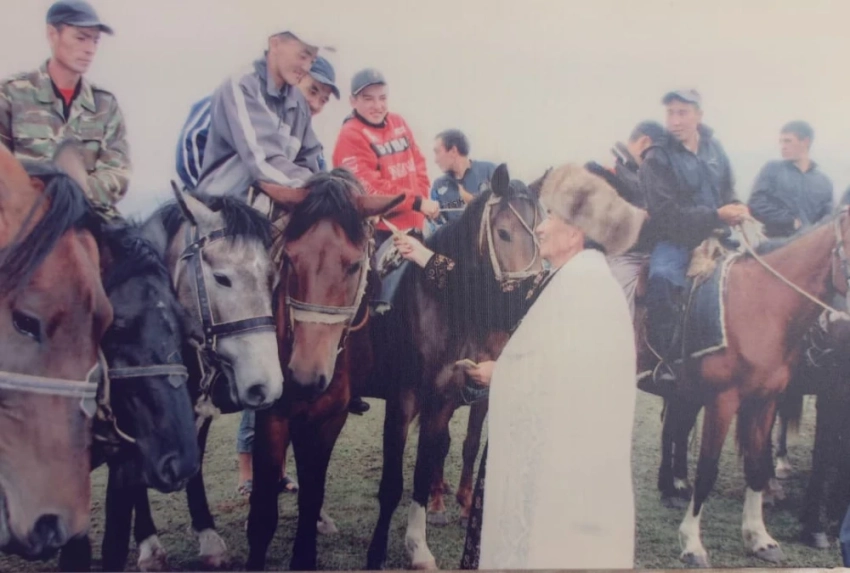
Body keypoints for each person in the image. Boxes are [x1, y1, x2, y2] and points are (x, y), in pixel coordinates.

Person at [395, 164, 646, 569]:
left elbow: (570, 379)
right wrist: (425, 256)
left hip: (561, 472)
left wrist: (501, 374)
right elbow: (485, 295)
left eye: (551, 217)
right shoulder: (572, 279)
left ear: (575, 233)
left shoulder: (583, 289)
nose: (540, 228)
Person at [640, 89, 749, 384]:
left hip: (720, 238)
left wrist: (737, 207)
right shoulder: (656, 156)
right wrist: (716, 215)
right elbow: (665, 215)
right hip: (675, 240)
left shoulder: (714, 149)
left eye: (682, 113)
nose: (675, 120)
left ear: (698, 115)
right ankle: (665, 362)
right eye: (671, 113)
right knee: (662, 278)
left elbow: (728, 191)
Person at [0, 0, 130, 220]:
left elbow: (118, 172)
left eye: (95, 40)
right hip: (26, 220)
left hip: (89, 217)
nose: (90, 49)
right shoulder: (12, 94)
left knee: (142, 242)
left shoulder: (105, 104)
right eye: (81, 38)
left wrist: (74, 196)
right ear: (53, 35)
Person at [193, 27, 329, 220]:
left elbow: (310, 162)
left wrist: (332, 189)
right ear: (275, 43)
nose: (307, 67)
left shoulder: (299, 103)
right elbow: (264, 160)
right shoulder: (241, 85)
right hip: (220, 214)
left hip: (268, 216)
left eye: (312, 61)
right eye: (303, 56)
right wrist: (324, 191)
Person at [331, 67, 440, 244]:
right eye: (368, 99)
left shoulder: (398, 121)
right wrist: (417, 202)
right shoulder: (349, 135)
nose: (377, 106)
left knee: (444, 259)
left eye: (382, 98)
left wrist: (421, 201)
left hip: (416, 226)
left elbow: (419, 165)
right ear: (353, 101)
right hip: (380, 234)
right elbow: (368, 188)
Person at [585, 120, 665, 318]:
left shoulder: (641, 172)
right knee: (620, 308)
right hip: (620, 255)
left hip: (650, 252)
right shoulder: (605, 168)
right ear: (645, 142)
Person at [748, 120, 833, 238]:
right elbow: (755, 204)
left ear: (805, 142)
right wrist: (790, 221)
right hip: (777, 243)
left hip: (811, 244)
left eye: (788, 141)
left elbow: (829, 218)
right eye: (781, 142)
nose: (783, 147)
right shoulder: (772, 169)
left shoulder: (824, 182)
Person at [429, 129, 496, 229]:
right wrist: (434, 217)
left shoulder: (490, 170)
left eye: (437, 152)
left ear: (453, 151)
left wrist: (473, 201)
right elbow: (436, 228)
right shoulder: (438, 186)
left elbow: (507, 208)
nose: (435, 160)